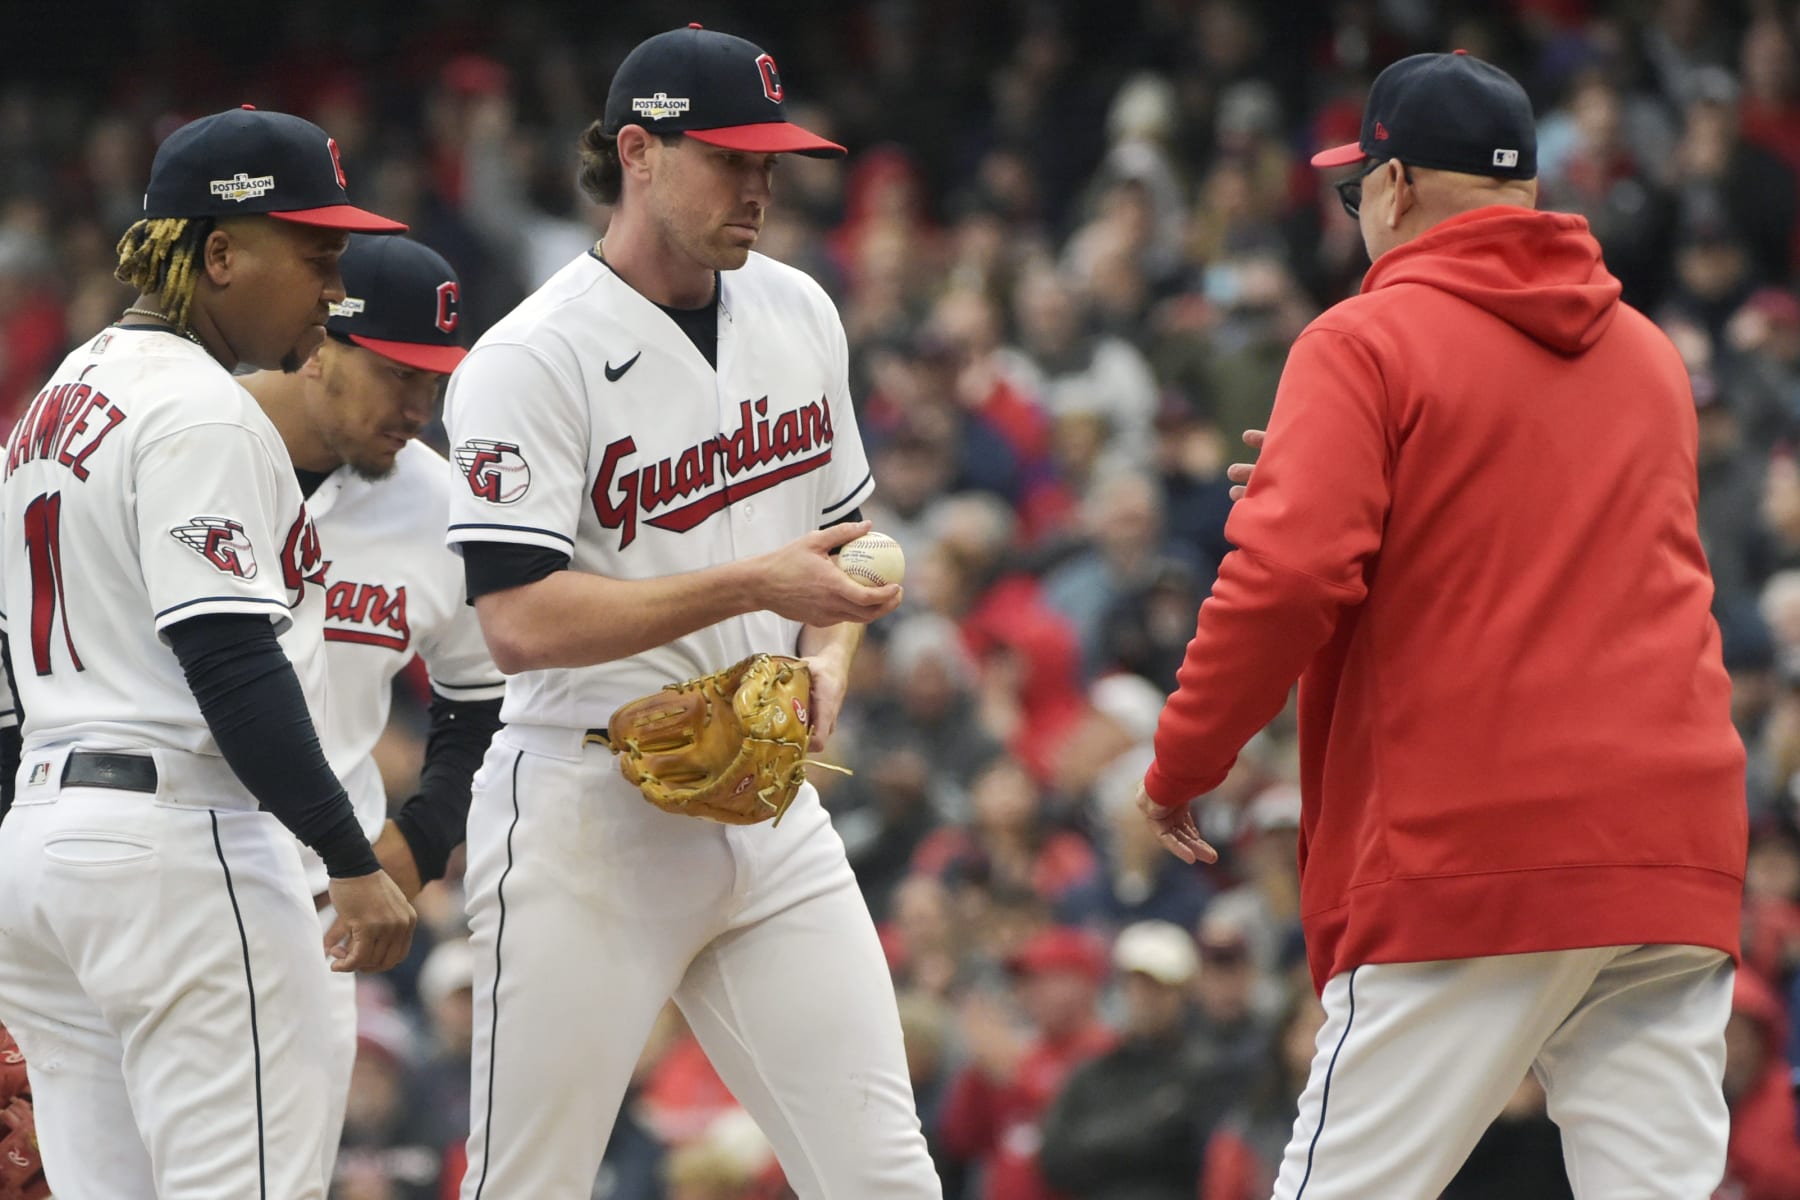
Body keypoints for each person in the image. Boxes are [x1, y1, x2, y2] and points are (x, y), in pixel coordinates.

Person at [1133, 51, 1746, 1199]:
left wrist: (1182, 764)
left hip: (1477, 852)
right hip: (1669, 850)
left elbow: (1287, 579)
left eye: (1353, 184)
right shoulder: (1651, 356)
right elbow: (1528, 531)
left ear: (1398, 183)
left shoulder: (1362, 340)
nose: (1354, 206)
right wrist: (1338, 478)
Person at [441, 25, 938, 1198]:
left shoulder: (800, 309)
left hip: (767, 800)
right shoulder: (530, 356)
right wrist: (758, 587)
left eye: (772, 163)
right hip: (585, 810)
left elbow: (847, 543)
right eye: (731, 159)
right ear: (639, 154)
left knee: (885, 1179)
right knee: (529, 1184)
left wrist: (832, 655)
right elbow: (516, 622)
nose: (760, 187)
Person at [0, 106, 417, 1200]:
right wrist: (349, 858)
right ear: (221, 251)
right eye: (316, 254)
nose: (335, 286)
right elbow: (227, 657)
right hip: (179, 851)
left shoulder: (55, 402)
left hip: (46, 848)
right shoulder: (204, 413)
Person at [239, 233, 506, 1186]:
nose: (420, 408)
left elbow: (484, 707)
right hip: (145, 859)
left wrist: (422, 839)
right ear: (321, 344)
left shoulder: (441, 506)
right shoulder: (190, 444)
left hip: (314, 900)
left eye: (436, 381)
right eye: (398, 375)